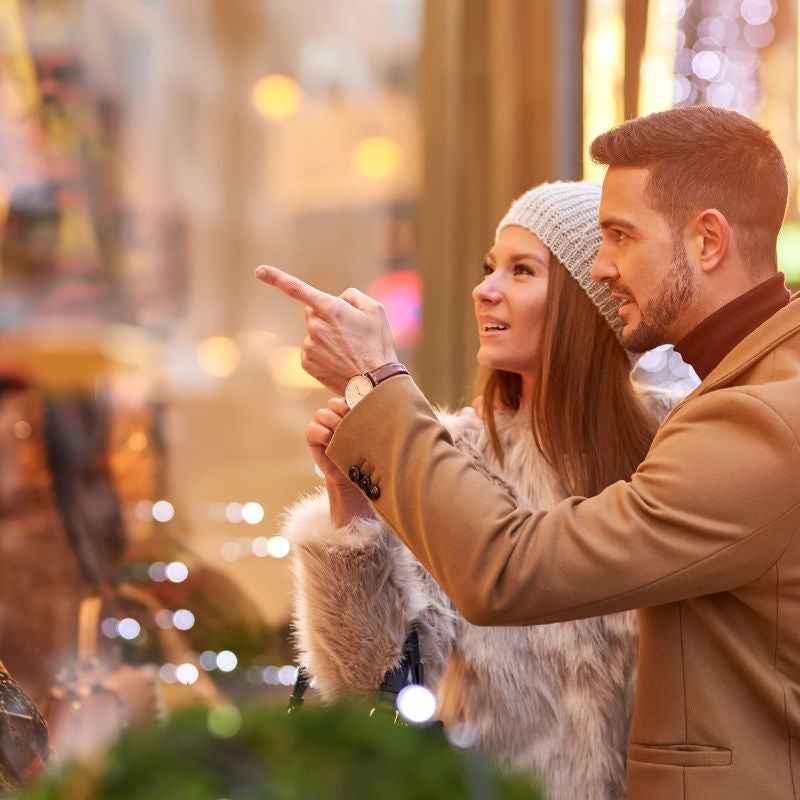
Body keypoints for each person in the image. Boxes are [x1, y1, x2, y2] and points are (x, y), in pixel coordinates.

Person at [255, 104, 800, 800]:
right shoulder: (737, 400)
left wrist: (379, 384)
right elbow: (371, 681)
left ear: (708, 241)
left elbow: (507, 570)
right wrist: (355, 502)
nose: (603, 267)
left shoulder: (752, 418)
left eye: (621, 237)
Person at [281, 181, 681, 798]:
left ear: (588, 301)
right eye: (490, 267)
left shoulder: (677, 447)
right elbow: (365, 686)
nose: (484, 288)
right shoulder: (451, 458)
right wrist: (350, 505)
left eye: (522, 270)